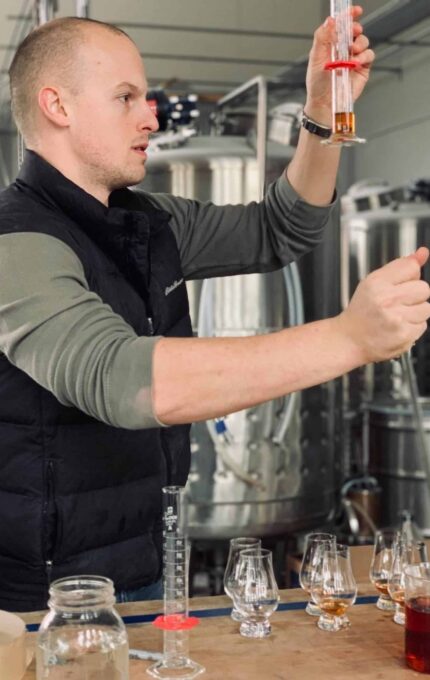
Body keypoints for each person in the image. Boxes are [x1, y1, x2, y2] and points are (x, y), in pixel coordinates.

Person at [0, 9, 428, 612]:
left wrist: (322, 112)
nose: (151, 115)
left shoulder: (149, 222)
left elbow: (280, 229)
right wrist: (351, 339)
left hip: (142, 561)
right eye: (126, 97)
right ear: (57, 106)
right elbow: (122, 379)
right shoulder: (15, 241)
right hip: (42, 598)